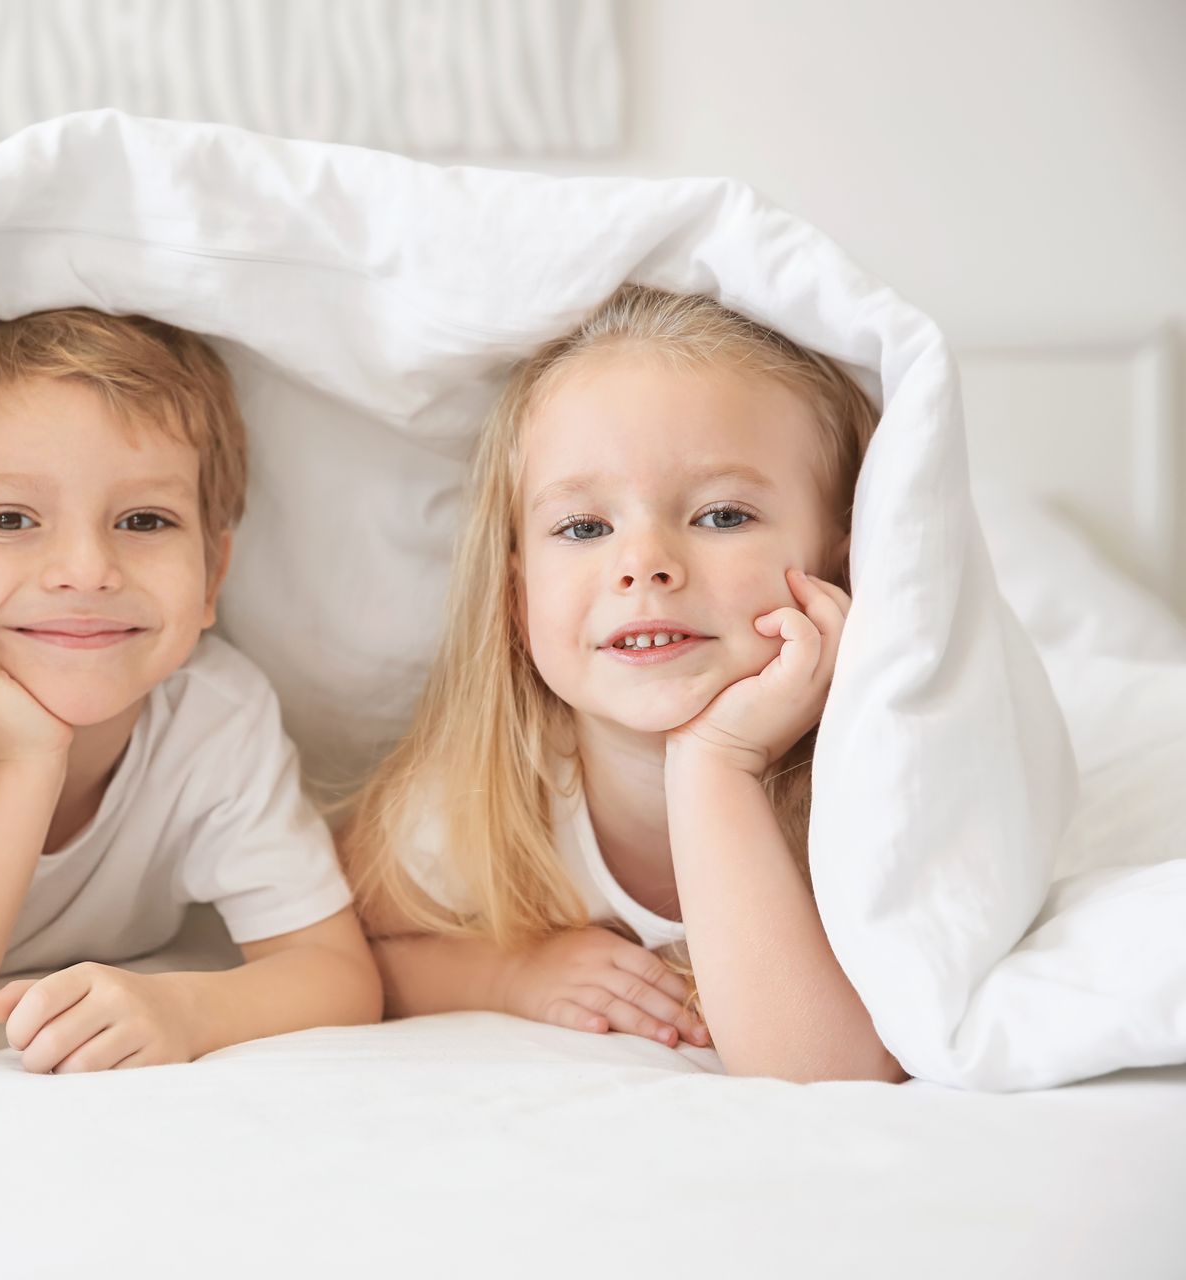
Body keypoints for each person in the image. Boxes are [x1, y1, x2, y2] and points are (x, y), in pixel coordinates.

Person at [340, 284, 904, 1083]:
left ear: (841, 565)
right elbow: (339, 950)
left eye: (722, 515)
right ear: (516, 598)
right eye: (584, 528)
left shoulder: (879, 782)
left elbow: (825, 1072)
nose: (644, 564)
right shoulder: (480, 800)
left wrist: (719, 762)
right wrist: (509, 975)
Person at [0, 308, 381, 1071]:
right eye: (9, 518)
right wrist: (25, 766)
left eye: (144, 519)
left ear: (212, 577)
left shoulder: (213, 718)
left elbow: (339, 976)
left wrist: (188, 1009)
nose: (86, 567)